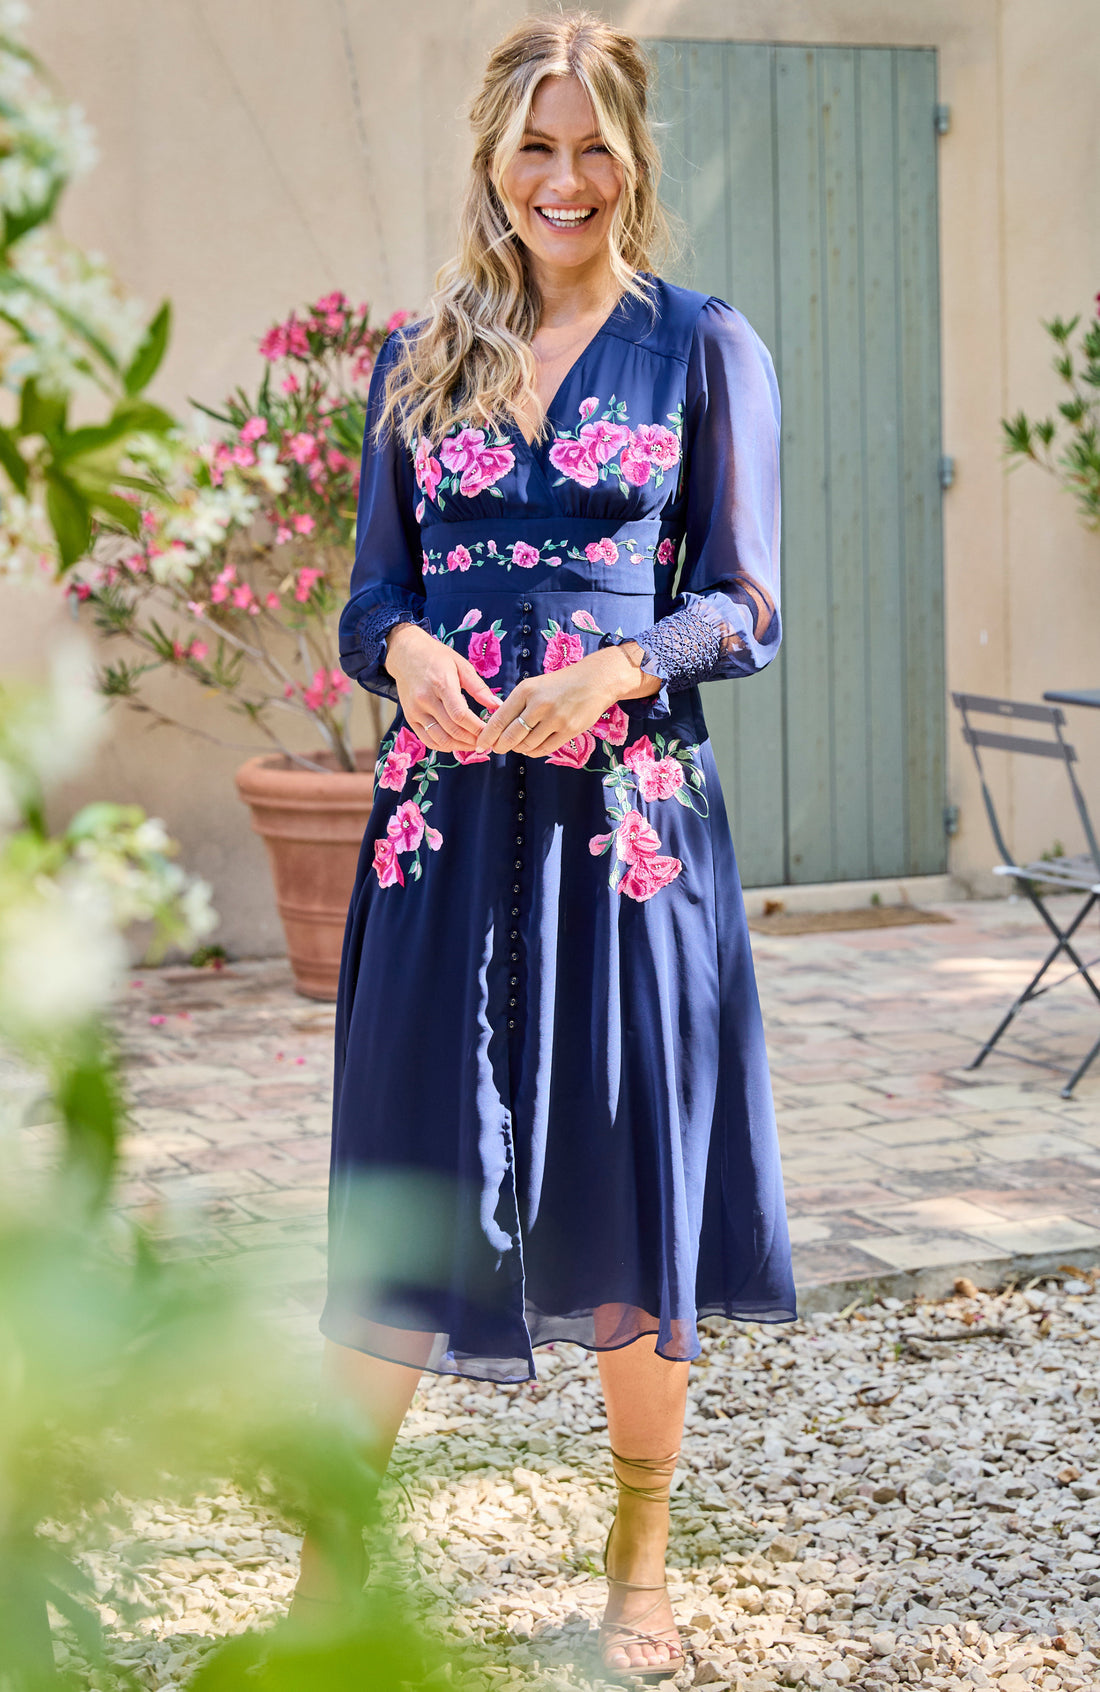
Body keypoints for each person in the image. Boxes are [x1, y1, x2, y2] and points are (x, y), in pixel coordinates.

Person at [292, 10, 796, 1677]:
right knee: (404, 1169)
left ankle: (639, 1565)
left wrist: (621, 664)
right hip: (436, 832)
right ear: (492, 161)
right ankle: (331, 1570)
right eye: (534, 148)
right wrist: (405, 653)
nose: (562, 179)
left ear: (631, 159)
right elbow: (372, 596)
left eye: (591, 147)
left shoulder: (701, 344)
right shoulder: (417, 354)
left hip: (627, 839)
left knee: (631, 1171)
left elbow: (748, 603)